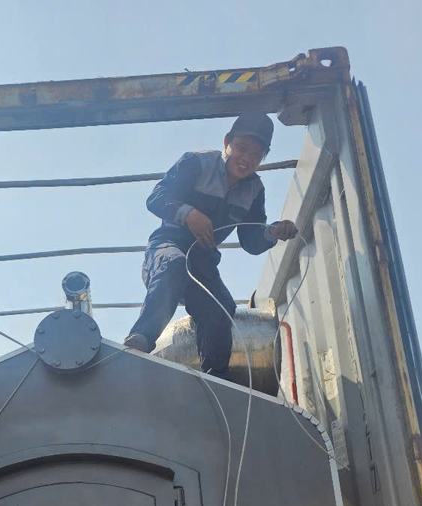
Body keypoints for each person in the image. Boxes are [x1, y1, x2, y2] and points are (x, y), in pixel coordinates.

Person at [123, 112, 298, 376]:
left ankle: (215, 378)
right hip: (167, 246)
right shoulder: (196, 162)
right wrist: (188, 214)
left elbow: (251, 241)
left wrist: (273, 232)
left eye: (256, 154)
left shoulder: (255, 191)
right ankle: (140, 341)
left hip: (203, 263)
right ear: (227, 142)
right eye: (242, 148)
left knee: (222, 307)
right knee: (174, 264)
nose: (247, 158)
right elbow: (156, 197)